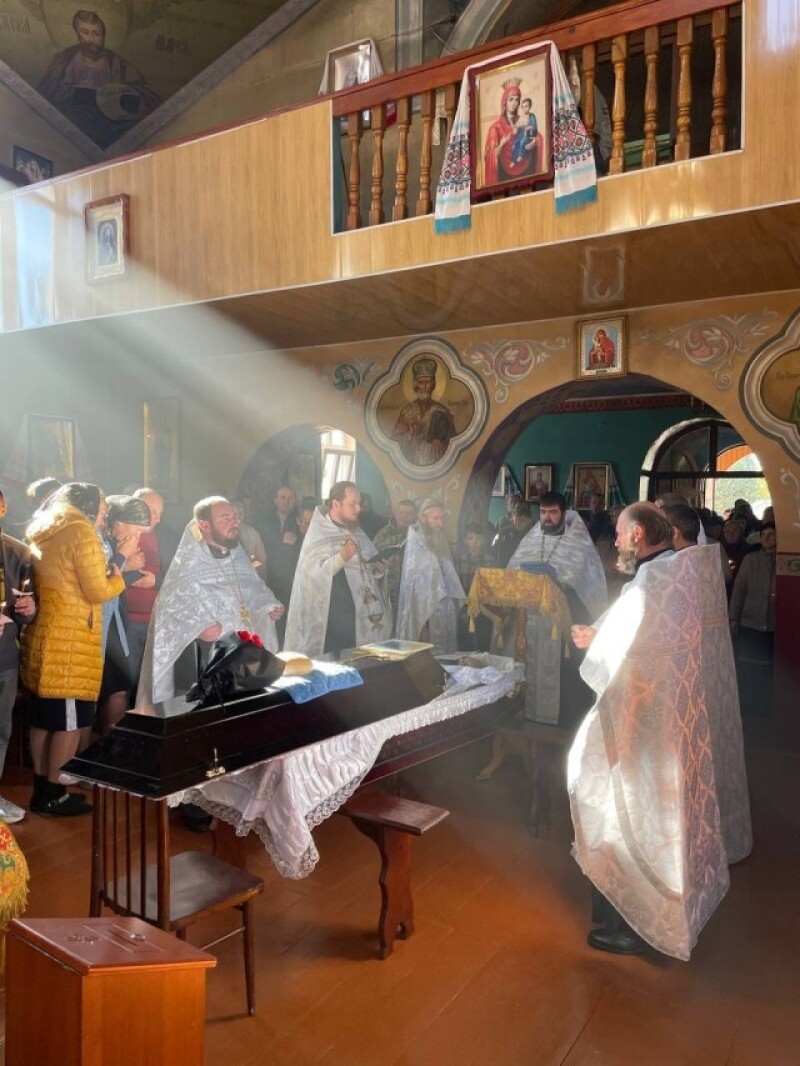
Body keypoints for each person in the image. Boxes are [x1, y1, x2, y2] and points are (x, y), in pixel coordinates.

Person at [570, 503, 752, 958]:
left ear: (637, 535)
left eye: (619, 531)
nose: (614, 539)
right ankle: (644, 910)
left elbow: (625, 650)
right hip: (673, 718)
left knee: (624, 810)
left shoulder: (652, 580)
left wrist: (594, 642)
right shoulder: (682, 569)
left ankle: (641, 925)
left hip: (648, 724)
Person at [21, 482, 125, 816]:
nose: (102, 519)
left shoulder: (44, 527)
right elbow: (97, 591)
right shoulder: (81, 532)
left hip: (45, 633)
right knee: (67, 723)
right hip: (70, 642)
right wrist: (118, 577)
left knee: (43, 720)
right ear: (89, 507)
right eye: (102, 512)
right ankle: (55, 793)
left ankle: (42, 789)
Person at [136, 497, 284, 705]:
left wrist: (269, 605)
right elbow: (168, 613)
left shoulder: (238, 557)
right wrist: (197, 630)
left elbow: (255, 590)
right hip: (204, 664)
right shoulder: (188, 565)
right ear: (204, 525)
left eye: (235, 516)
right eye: (226, 517)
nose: (234, 522)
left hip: (245, 659)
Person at [507, 492, 607, 727]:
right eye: (543, 512)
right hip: (528, 620)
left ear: (564, 513)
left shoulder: (579, 544)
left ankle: (561, 722)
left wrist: (562, 585)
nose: (547, 518)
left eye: (553, 512)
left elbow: (588, 587)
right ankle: (524, 712)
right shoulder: (530, 540)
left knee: (564, 679)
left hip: (561, 624)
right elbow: (512, 573)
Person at [285, 482, 391, 657]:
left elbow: (368, 566)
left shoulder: (356, 530)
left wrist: (379, 570)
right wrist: (341, 558)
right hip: (333, 618)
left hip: (362, 614)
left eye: (359, 503)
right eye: (352, 504)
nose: (358, 508)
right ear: (336, 504)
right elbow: (310, 576)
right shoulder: (319, 533)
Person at [38, 9, 160, 148]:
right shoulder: (65, 61)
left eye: (96, 33)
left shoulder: (119, 64)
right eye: (85, 32)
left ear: (104, 35)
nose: (91, 39)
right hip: (78, 117)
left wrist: (124, 88)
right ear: (77, 33)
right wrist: (76, 90)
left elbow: (150, 99)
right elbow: (48, 95)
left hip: (113, 122)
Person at [0, 489, 36, 823]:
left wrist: (28, 608)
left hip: (4, 656)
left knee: (1, 729)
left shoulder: (17, 551)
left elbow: (25, 607)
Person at [125, 487, 180, 690]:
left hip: (157, 620)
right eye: (152, 511)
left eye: (160, 513)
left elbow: (180, 575)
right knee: (126, 683)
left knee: (155, 685)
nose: (157, 518)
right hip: (125, 621)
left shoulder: (167, 536)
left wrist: (156, 581)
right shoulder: (117, 533)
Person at [396, 499, 466, 653]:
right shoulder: (416, 541)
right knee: (427, 653)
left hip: (444, 605)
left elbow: (447, 570)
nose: (440, 523)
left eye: (442, 518)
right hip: (425, 611)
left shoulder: (438, 537)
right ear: (423, 518)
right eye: (435, 518)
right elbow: (415, 583)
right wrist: (422, 623)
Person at [729, 521, 776, 713]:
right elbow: (739, 590)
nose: (767, 538)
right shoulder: (751, 559)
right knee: (749, 666)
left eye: (772, 534)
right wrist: (733, 618)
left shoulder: (786, 561)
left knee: (770, 667)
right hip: (751, 620)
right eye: (764, 535)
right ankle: (748, 705)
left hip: (774, 623)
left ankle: (767, 705)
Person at [392, 358, 456, 467]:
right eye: (421, 383)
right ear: (415, 385)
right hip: (412, 463)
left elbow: (453, 442)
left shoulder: (442, 411)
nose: (425, 387)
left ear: (433, 385)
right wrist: (410, 435)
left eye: (428, 382)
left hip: (436, 462)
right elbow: (395, 442)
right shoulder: (407, 412)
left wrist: (440, 441)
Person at [483, 78, 540, 186]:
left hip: (527, 168)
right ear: (504, 101)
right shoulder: (495, 128)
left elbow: (536, 135)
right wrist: (503, 143)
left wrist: (534, 141)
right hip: (503, 174)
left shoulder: (524, 119)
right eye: (511, 99)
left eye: (517, 100)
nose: (514, 103)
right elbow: (491, 156)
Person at [373, 498, 417, 621]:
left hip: (411, 590)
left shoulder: (418, 535)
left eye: (409, 514)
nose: (404, 517)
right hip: (388, 588)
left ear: (415, 517)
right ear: (396, 513)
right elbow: (374, 551)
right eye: (401, 512)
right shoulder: (383, 532)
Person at [454, 522, 493, 651]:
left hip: (484, 604)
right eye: (471, 538)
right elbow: (457, 584)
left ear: (484, 540)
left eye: (478, 538)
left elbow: (492, 585)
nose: (474, 542)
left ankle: (483, 659)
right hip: (465, 602)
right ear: (465, 541)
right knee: (465, 635)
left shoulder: (490, 559)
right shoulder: (459, 559)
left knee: (484, 636)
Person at [493, 500, 534, 568]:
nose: (520, 522)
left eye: (524, 520)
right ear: (512, 517)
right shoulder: (504, 532)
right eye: (518, 517)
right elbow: (495, 555)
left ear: (529, 520)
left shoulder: (533, 535)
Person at [511, 98, 541, 166]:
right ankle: (513, 160)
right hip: (520, 134)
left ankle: (520, 155)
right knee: (515, 143)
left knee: (522, 142)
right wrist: (515, 126)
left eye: (526, 106)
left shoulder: (532, 116)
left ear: (529, 107)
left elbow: (534, 128)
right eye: (523, 107)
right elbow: (517, 126)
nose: (524, 108)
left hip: (528, 135)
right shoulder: (521, 117)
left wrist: (529, 127)